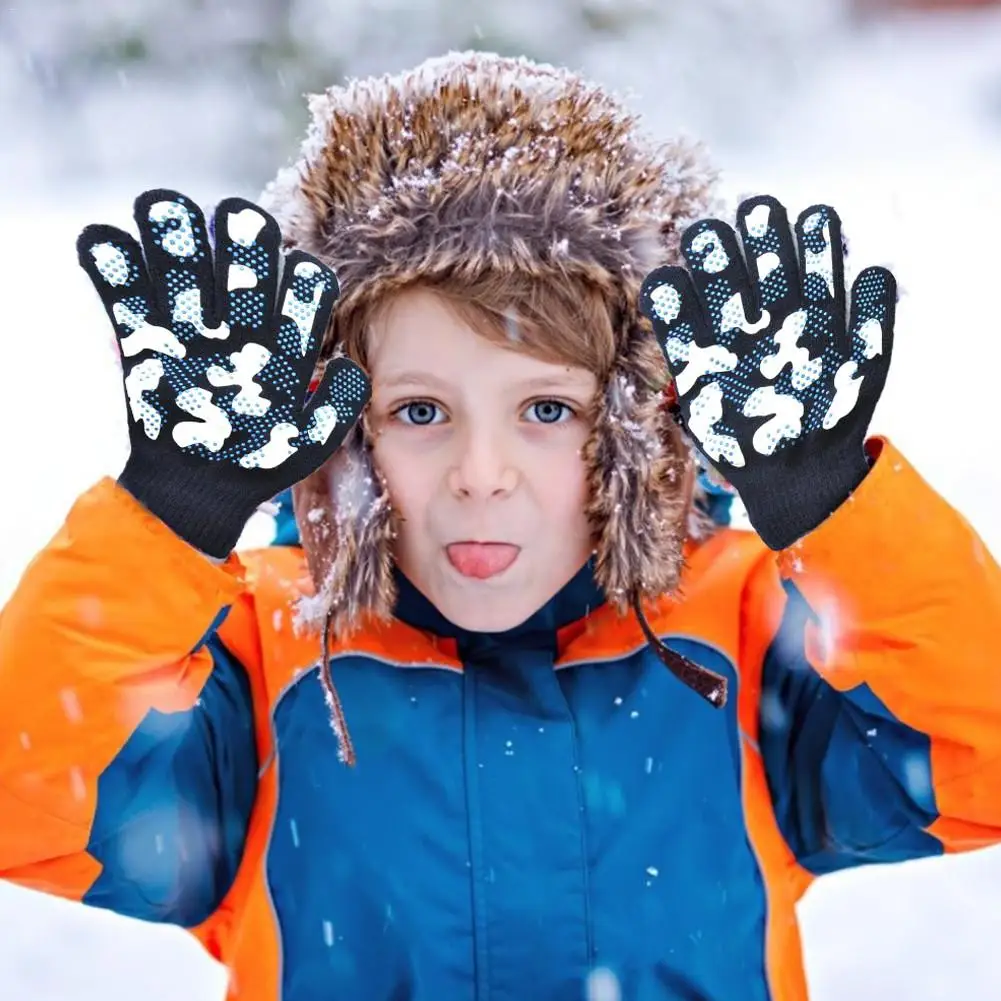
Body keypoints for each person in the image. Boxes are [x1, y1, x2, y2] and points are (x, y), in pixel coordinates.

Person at [0, 50, 999, 1001]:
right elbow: (32, 797)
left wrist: (826, 496)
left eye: (547, 411)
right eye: (421, 412)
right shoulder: (269, 648)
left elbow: (974, 757)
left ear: (634, 424)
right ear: (341, 432)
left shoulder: (736, 626)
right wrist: (173, 511)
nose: (482, 476)